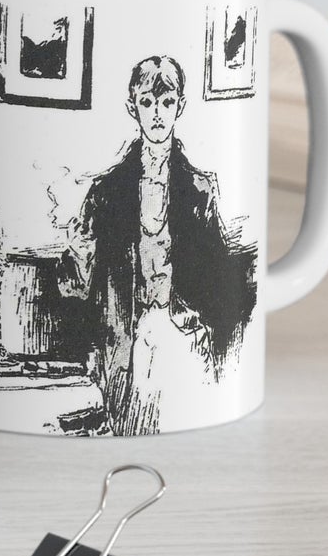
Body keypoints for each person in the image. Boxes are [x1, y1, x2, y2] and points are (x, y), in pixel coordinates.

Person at [58, 56, 256, 434]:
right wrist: (79, 251)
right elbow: (80, 281)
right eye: (148, 103)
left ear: (180, 106)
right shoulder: (107, 190)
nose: (157, 114)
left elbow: (216, 274)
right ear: (133, 107)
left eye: (166, 103)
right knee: (128, 423)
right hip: (123, 336)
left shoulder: (200, 189)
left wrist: (194, 317)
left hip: (181, 333)